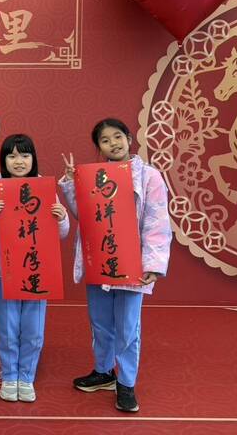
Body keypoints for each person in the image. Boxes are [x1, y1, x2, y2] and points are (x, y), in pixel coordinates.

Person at [60, 118, 172, 413]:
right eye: (105, 140)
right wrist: (72, 183)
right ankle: (103, 371)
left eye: (117, 136)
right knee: (100, 322)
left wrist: (152, 264)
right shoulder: (95, 176)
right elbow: (84, 214)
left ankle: (126, 382)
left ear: (129, 138)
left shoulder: (149, 177)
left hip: (132, 264)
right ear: (99, 147)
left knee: (127, 326)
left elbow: (157, 221)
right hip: (100, 259)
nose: (113, 144)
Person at [0, 134, 69, 403]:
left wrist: (61, 218)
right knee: (7, 328)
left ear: (33, 159)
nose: (18, 161)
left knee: (33, 329)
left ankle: (26, 376)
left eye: (24, 155)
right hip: (4, 271)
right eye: (12, 156)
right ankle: (10, 376)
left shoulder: (43, 187)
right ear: (3, 160)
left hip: (36, 271)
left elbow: (61, 233)